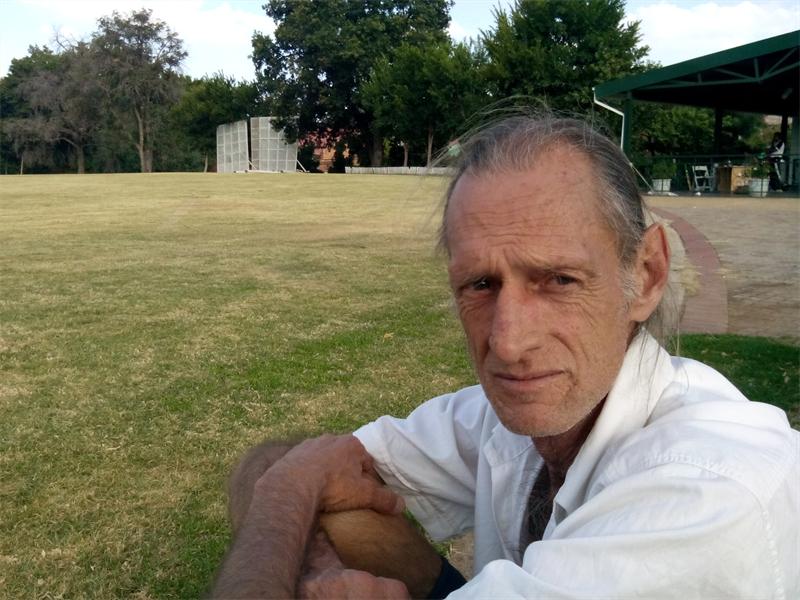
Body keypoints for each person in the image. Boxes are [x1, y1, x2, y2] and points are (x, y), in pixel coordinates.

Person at [212, 115, 799, 599]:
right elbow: (283, 462)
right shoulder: (511, 417)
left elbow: (287, 478)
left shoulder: (707, 495)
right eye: (481, 285)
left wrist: (283, 502)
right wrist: (309, 543)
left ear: (646, 276)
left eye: (560, 280)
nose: (509, 343)